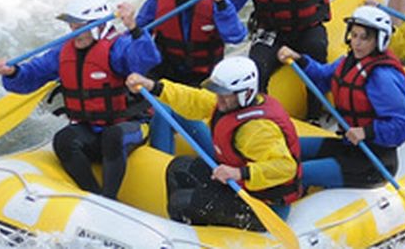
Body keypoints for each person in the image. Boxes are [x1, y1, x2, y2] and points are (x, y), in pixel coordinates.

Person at [0, 0, 161, 200]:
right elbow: (32, 75)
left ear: (100, 26)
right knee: (63, 140)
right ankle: (93, 196)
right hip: (91, 129)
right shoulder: (63, 51)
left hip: (130, 126)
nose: (74, 31)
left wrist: (134, 27)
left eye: (80, 26)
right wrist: (12, 72)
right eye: (72, 25)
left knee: (112, 136)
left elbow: (147, 60)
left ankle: (109, 198)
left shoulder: (119, 46)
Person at [125, 56, 301, 231]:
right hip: (240, 186)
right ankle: (195, 222)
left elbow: (286, 167)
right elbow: (194, 99)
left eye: (224, 95)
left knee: (180, 203)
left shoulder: (257, 130)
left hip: (264, 205)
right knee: (179, 167)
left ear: (245, 94)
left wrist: (240, 173)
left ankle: (193, 230)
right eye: (218, 93)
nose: (219, 99)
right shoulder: (227, 103)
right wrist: (153, 86)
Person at [277, 6, 405, 189]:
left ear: (379, 40)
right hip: (349, 146)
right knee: (284, 146)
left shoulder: (383, 77)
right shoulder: (348, 62)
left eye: (364, 38)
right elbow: (322, 76)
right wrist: (299, 59)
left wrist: (366, 132)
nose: (357, 43)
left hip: (373, 162)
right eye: (354, 35)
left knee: (296, 173)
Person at [137, 0, 247, 156]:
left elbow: (236, 36)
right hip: (167, 74)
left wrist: (222, 4)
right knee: (156, 105)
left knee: (166, 109)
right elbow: (139, 30)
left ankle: (210, 155)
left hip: (202, 80)